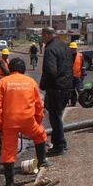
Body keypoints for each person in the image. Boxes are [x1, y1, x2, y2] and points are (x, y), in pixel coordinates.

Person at [0, 58, 51, 186]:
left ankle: (9, 185)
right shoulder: (30, 82)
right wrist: (38, 121)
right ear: (23, 69)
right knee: (40, 135)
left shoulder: (2, 82)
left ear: (10, 69)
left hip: (9, 122)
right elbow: (39, 105)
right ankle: (42, 161)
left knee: (8, 152)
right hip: (28, 120)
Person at [39, 27, 73, 156]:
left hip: (56, 87)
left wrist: (43, 85)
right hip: (66, 85)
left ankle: (60, 145)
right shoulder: (64, 46)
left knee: (55, 117)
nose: (41, 38)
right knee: (57, 115)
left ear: (47, 35)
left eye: (42, 36)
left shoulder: (50, 49)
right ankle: (59, 142)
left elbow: (50, 71)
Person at [69, 42, 85, 107]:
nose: (73, 50)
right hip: (70, 76)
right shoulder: (67, 56)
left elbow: (83, 65)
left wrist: (83, 73)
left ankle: (83, 101)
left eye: (74, 48)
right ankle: (73, 102)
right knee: (72, 90)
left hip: (78, 75)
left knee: (80, 89)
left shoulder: (80, 55)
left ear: (76, 49)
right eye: (72, 48)